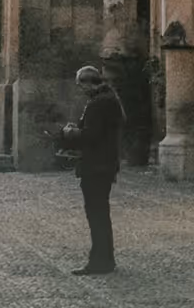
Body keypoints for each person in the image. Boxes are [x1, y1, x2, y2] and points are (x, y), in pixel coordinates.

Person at [62, 65, 125, 275]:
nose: (80, 90)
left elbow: (92, 136)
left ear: (89, 82)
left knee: (96, 214)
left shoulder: (99, 103)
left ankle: (100, 261)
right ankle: (105, 258)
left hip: (96, 165)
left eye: (81, 85)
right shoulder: (108, 99)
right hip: (104, 164)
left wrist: (71, 133)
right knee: (100, 213)